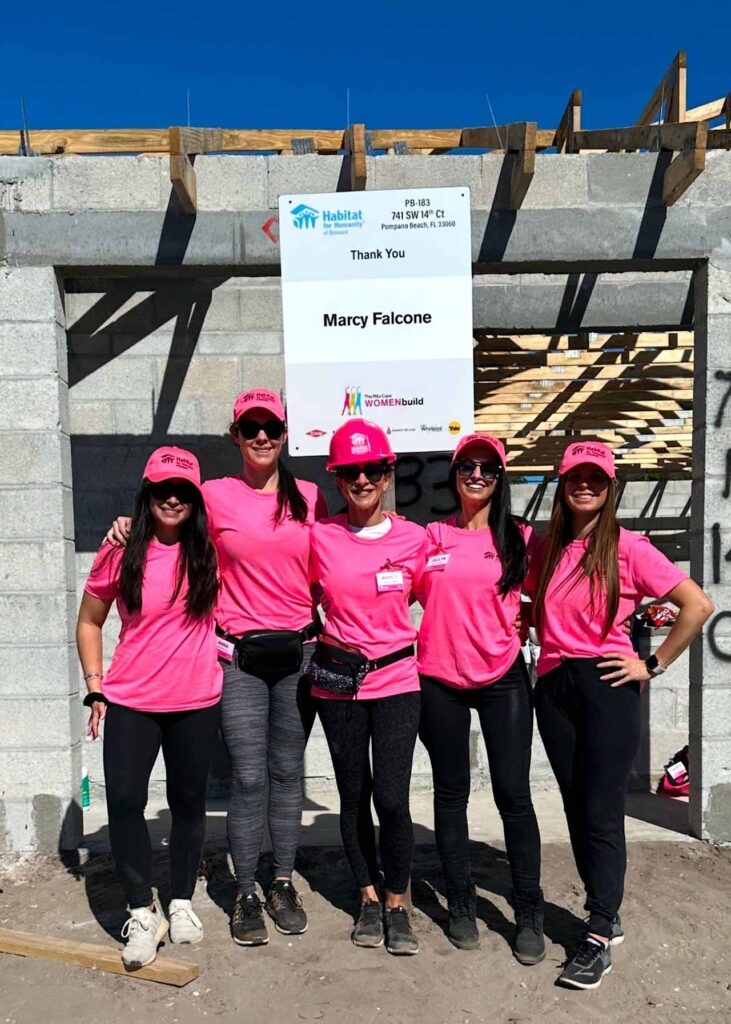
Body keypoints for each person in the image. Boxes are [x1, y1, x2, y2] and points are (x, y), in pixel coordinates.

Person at [107, 389, 328, 947]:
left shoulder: (310, 497)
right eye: (249, 428)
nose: (260, 437)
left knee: (287, 773)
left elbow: (330, 565)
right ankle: (246, 891)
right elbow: (166, 510)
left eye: (270, 427)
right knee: (248, 777)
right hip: (239, 657)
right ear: (234, 435)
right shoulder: (213, 495)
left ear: (284, 433)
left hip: (299, 653)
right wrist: (120, 524)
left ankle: (282, 881)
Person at [527, 440, 714, 990]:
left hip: (608, 685)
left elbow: (696, 605)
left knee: (604, 810)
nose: (585, 485)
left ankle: (600, 933)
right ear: (562, 484)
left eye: (597, 479)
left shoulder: (630, 547)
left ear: (610, 488)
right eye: (575, 477)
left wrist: (650, 665)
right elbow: (528, 610)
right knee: (576, 806)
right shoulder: (545, 547)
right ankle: (603, 909)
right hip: (554, 687)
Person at [77, 447, 221, 969]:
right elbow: (89, 621)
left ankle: (180, 901)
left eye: (183, 490)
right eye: (162, 489)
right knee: (123, 802)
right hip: (132, 700)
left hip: (196, 701)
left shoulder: (212, 550)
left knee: (188, 806)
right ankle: (142, 910)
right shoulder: (119, 550)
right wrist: (95, 688)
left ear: (196, 498)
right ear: (146, 493)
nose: (172, 498)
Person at [416, 433, 544, 962]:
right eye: (467, 465)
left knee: (513, 795)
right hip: (439, 678)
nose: (476, 475)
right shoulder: (429, 536)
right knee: (451, 793)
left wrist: (530, 619)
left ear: (500, 477)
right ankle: (462, 904)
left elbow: (553, 598)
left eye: (488, 468)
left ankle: (529, 911)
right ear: (454, 473)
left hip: (503, 678)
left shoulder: (522, 538)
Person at [308, 419, 427, 955]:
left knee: (393, 799)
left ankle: (398, 902)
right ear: (337, 478)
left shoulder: (414, 538)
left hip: (399, 682)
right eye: (350, 471)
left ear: (386, 474)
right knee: (353, 796)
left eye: (371, 470)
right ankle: (368, 897)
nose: (361, 479)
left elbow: (439, 598)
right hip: (339, 687)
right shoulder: (320, 536)